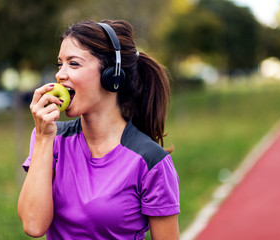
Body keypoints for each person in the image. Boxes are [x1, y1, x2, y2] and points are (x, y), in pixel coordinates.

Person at [18, 19, 180, 240]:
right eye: (60, 64)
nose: (60, 74)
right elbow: (33, 225)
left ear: (112, 76)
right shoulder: (51, 139)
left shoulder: (150, 160)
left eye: (73, 64)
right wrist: (44, 139)